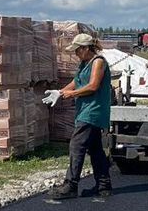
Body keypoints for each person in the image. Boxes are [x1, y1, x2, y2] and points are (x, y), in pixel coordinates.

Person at [47, 32, 113, 201]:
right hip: (85, 110)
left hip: (93, 111)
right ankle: (103, 185)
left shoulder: (98, 62)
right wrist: (61, 92)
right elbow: (77, 81)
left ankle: (71, 185)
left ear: (85, 48)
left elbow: (92, 86)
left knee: (76, 145)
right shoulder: (85, 63)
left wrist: (71, 94)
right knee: (95, 149)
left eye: (77, 50)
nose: (75, 54)